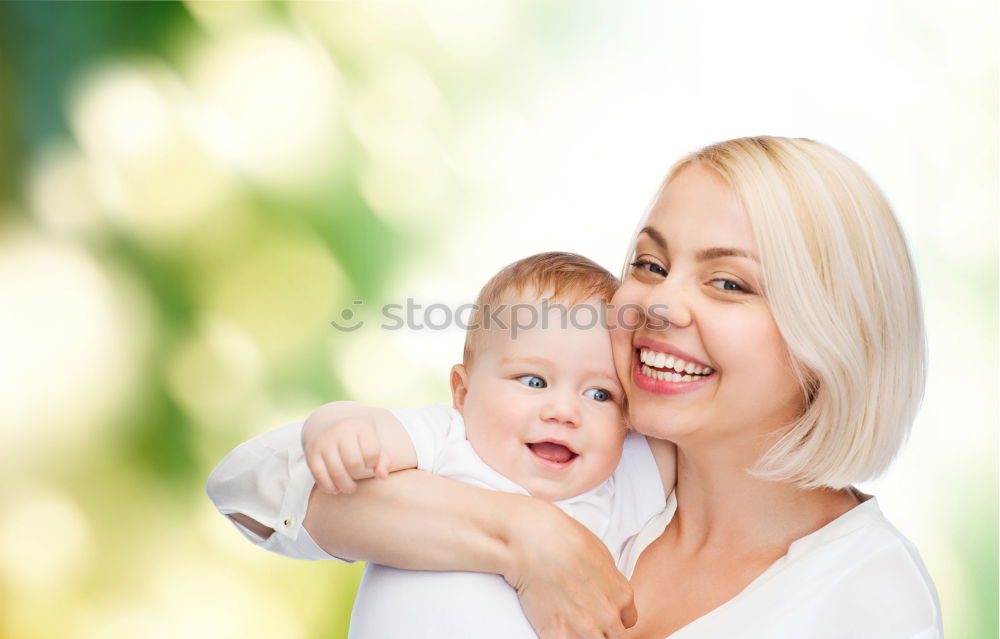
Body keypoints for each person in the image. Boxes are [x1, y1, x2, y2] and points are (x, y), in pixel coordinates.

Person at [207, 136, 943, 638]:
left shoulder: (867, 597)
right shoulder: (594, 455)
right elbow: (255, 485)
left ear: (833, 335)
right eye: (650, 265)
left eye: (728, 282)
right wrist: (525, 535)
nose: (656, 303)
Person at [207, 252, 676, 638]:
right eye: (534, 380)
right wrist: (332, 426)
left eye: (600, 395)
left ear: (627, 423)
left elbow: (699, 439)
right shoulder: (448, 439)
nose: (564, 411)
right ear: (463, 392)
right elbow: (362, 433)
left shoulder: (612, 489)